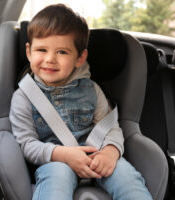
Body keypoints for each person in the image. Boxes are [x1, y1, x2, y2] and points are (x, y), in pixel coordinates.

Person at [9, 4, 152, 200]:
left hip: (96, 157)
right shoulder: (24, 97)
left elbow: (110, 127)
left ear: (79, 57)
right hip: (54, 162)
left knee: (125, 175)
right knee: (58, 175)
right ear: (29, 52)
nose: (50, 59)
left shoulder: (92, 90)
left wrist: (110, 151)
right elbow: (27, 143)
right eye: (41, 50)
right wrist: (63, 155)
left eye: (62, 52)